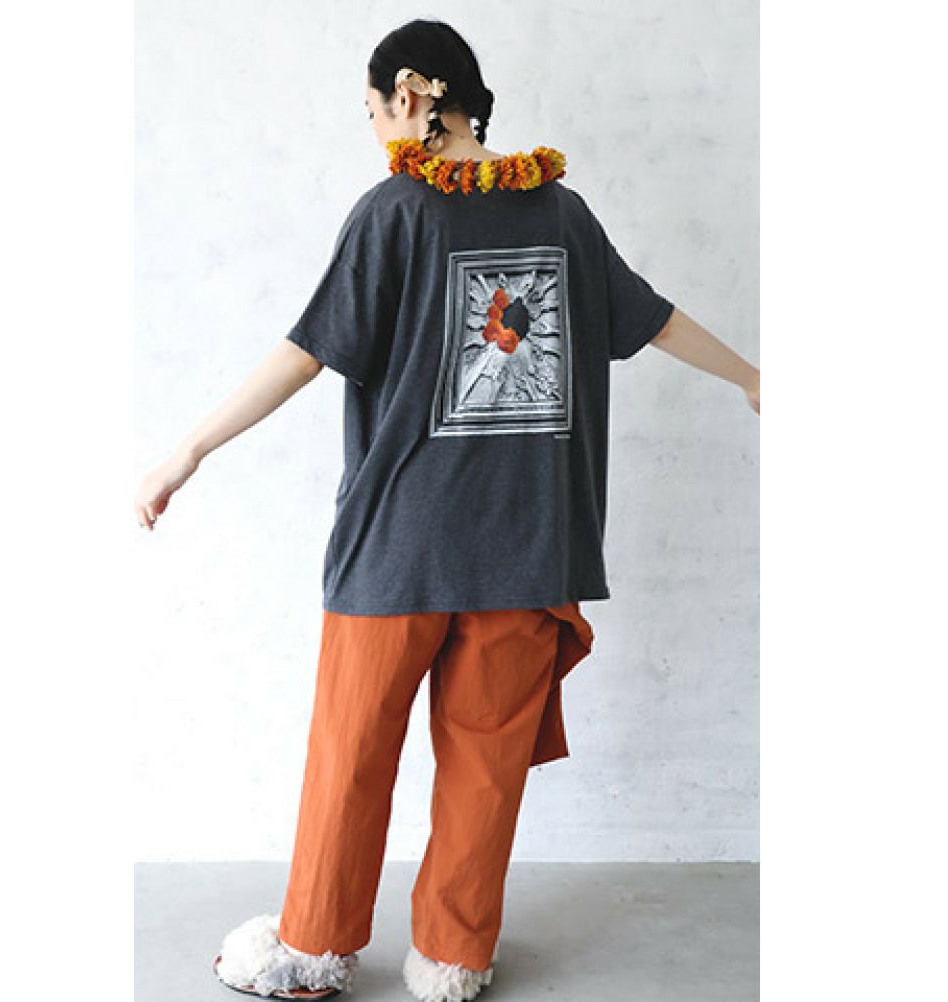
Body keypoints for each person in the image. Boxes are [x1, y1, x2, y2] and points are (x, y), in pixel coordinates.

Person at [134, 17, 759, 1002]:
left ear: (414, 92)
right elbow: (655, 320)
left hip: (398, 547)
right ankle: (454, 958)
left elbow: (306, 352)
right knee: (485, 765)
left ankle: (313, 949)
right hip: (527, 549)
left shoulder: (394, 213)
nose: (375, 128)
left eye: (374, 108)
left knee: (351, 754)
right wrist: (755, 378)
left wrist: (188, 448)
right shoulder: (563, 215)